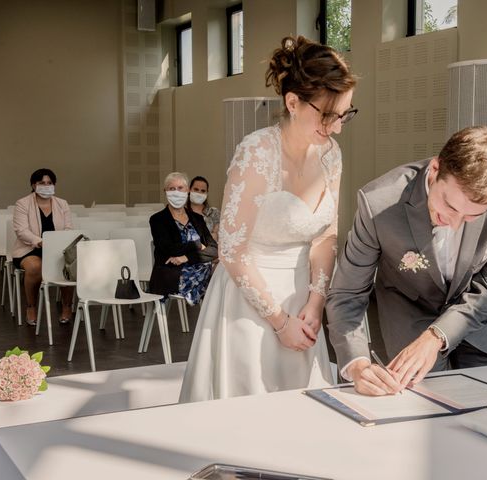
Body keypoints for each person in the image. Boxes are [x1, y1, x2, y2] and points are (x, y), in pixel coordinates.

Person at [179, 35, 357, 402]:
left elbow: (325, 237)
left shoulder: (331, 155)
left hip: (302, 303)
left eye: (344, 115)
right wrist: (278, 320)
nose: (337, 127)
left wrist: (314, 303)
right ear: (293, 102)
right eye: (328, 115)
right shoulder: (256, 152)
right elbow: (231, 250)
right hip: (249, 302)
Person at [326, 126, 487, 396]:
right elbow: (347, 293)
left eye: (472, 216)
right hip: (410, 321)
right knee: (424, 416)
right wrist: (357, 365)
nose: (455, 223)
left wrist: (437, 336)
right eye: (450, 206)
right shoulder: (379, 204)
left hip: (485, 328)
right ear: (435, 169)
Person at [12, 168, 74, 326]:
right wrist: (41, 242)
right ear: (33, 185)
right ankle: (31, 307)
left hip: (56, 249)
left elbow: (68, 228)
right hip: (29, 249)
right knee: (34, 267)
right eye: (41, 183)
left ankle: (67, 306)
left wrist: (56, 244)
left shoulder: (62, 204)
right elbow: (22, 231)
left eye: (49, 183)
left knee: (69, 265)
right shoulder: (22, 203)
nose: (46, 186)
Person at [149, 172, 218, 306]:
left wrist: (186, 257)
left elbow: (214, 250)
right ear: (165, 191)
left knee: (219, 271)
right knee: (217, 276)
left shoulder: (197, 219)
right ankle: (212, 309)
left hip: (199, 269)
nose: (176, 192)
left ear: (187, 191)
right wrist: (197, 245)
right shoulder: (158, 220)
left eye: (180, 188)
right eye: (171, 188)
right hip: (173, 273)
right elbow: (169, 248)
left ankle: (212, 314)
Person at [188, 176, 220, 242]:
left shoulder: (214, 212)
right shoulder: (182, 213)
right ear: (189, 190)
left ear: (207, 193)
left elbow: (219, 237)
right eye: (196, 189)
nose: (199, 193)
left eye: (203, 191)